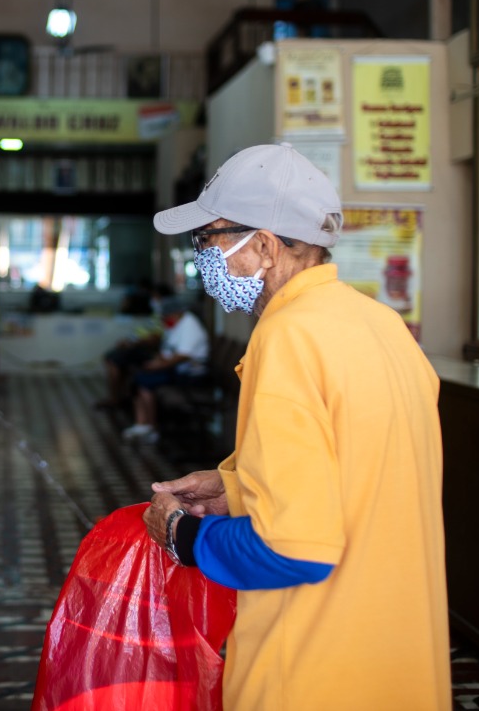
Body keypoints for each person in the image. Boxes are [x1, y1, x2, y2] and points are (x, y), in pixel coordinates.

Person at [141, 143, 450, 710]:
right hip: (398, 668)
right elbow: (357, 481)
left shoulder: (288, 339)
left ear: (262, 245)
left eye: (208, 241)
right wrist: (235, 487)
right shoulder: (383, 326)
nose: (203, 259)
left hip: (313, 671)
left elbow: (294, 550)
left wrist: (182, 536)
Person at [121, 297, 209, 442]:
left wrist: (159, 365)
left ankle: (151, 427)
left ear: (177, 313)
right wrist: (157, 361)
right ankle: (143, 424)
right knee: (139, 378)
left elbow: (182, 355)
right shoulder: (176, 324)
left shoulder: (190, 325)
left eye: (167, 316)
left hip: (190, 374)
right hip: (175, 370)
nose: (165, 320)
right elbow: (168, 348)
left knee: (144, 381)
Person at [96, 282, 174, 410]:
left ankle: (115, 399)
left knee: (114, 359)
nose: (153, 300)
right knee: (113, 357)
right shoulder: (157, 313)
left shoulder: (168, 314)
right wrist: (129, 340)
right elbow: (145, 331)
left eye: (155, 297)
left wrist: (134, 343)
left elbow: (157, 337)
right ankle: (119, 397)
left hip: (150, 350)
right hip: (141, 346)